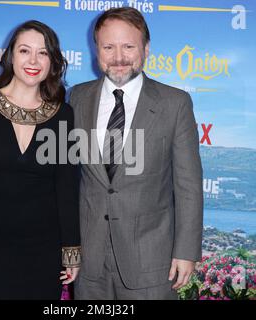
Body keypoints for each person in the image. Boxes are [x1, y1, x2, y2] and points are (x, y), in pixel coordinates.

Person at [69, 7, 203, 299]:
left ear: (146, 49)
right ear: (97, 50)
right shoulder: (77, 97)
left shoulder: (175, 103)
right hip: (88, 264)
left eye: (128, 46)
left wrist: (186, 252)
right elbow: (65, 178)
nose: (119, 57)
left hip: (152, 262)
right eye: (109, 47)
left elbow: (188, 186)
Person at [0, 20, 80, 300]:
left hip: (43, 251)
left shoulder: (63, 115)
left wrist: (71, 251)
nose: (33, 60)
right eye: (24, 51)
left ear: (52, 61)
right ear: (9, 56)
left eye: (43, 53)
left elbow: (67, 188)